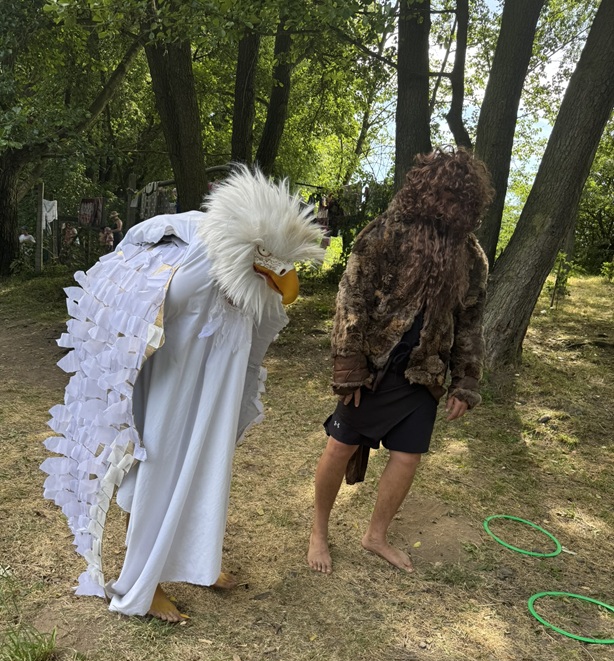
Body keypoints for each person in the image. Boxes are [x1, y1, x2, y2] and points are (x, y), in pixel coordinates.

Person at [42, 167, 325, 622]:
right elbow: (139, 288)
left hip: (217, 381)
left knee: (208, 468)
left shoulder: (258, 269)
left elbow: (270, 309)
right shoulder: (193, 245)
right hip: (172, 382)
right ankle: (143, 582)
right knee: (159, 465)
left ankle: (198, 562)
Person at [307, 147, 494, 575]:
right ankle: (319, 531)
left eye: (459, 199)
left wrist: (466, 381)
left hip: (424, 372)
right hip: (373, 368)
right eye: (444, 195)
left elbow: (470, 323)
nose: (449, 206)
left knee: (407, 457)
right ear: (426, 191)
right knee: (340, 446)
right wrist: (349, 367)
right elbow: (351, 298)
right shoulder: (385, 234)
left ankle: (375, 536)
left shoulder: (471, 258)